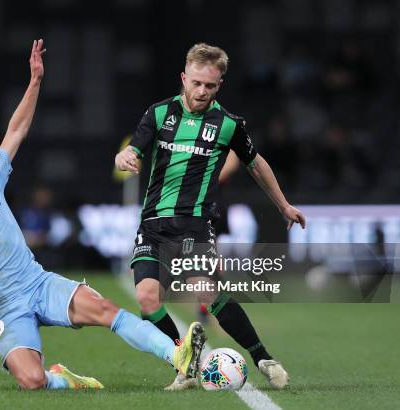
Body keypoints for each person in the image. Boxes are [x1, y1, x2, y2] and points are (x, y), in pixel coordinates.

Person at [0, 39, 206, 391]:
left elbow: (16, 130)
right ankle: (63, 380)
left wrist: (34, 81)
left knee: (106, 308)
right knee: (32, 381)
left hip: (37, 282)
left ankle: (178, 356)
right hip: (1, 307)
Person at [115, 43, 306, 390]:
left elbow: (256, 163)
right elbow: (135, 146)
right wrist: (123, 156)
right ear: (184, 78)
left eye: (211, 86)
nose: (202, 91)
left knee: (204, 291)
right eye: (197, 83)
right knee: (146, 297)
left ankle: (263, 357)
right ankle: (184, 363)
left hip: (195, 223)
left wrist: (283, 205)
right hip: (153, 224)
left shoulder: (229, 125)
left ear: (220, 85)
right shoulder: (159, 113)